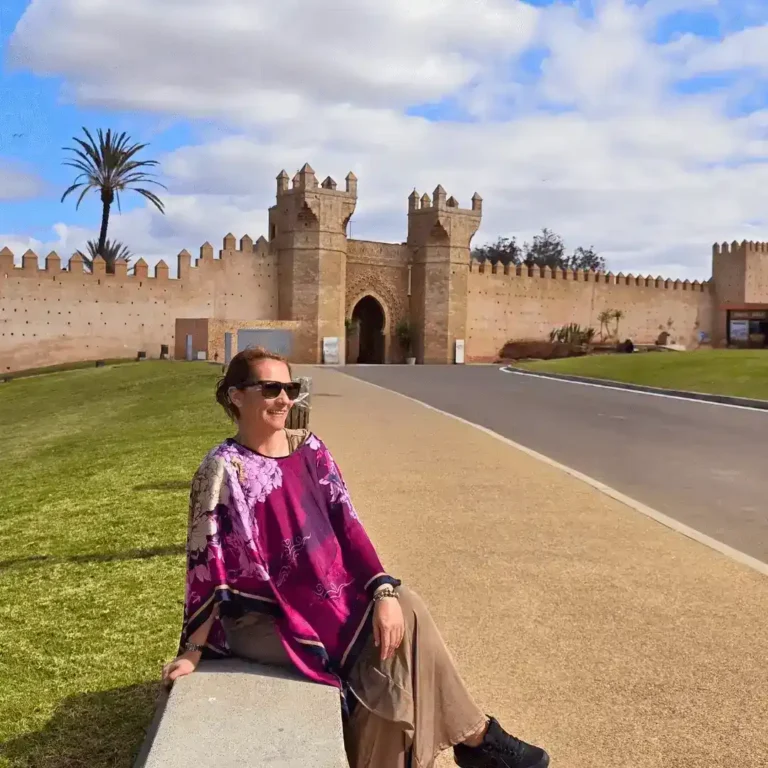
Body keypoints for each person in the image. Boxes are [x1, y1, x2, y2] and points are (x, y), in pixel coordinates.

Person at [162, 346, 550, 768]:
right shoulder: (222, 469)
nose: (284, 399)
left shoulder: (311, 451)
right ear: (236, 396)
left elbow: (347, 524)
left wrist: (382, 589)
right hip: (266, 617)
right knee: (382, 646)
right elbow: (205, 563)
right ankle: (477, 739)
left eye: (289, 388)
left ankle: (470, 743)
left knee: (403, 611)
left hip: (329, 594)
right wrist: (193, 650)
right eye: (270, 388)